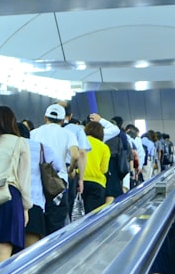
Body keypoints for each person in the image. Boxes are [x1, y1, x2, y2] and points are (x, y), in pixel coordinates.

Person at [0, 105, 31, 266]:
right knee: (2, 249)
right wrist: (26, 207)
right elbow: (24, 178)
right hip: (9, 197)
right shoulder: (19, 142)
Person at [29, 104, 79, 234]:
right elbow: (75, 154)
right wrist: (71, 170)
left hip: (36, 184)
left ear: (45, 118)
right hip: (57, 184)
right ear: (63, 121)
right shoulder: (68, 134)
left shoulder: (33, 133)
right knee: (56, 223)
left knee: (38, 224)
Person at [20, 122, 65, 248]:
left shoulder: (9, 146)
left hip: (12, 201)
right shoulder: (41, 147)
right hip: (35, 201)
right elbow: (58, 166)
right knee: (31, 248)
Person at [82, 120, 110, 213]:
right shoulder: (104, 147)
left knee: (78, 213)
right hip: (97, 184)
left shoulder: (80, 142)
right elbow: (104, 169)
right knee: (93, 215)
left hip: (80, 182)